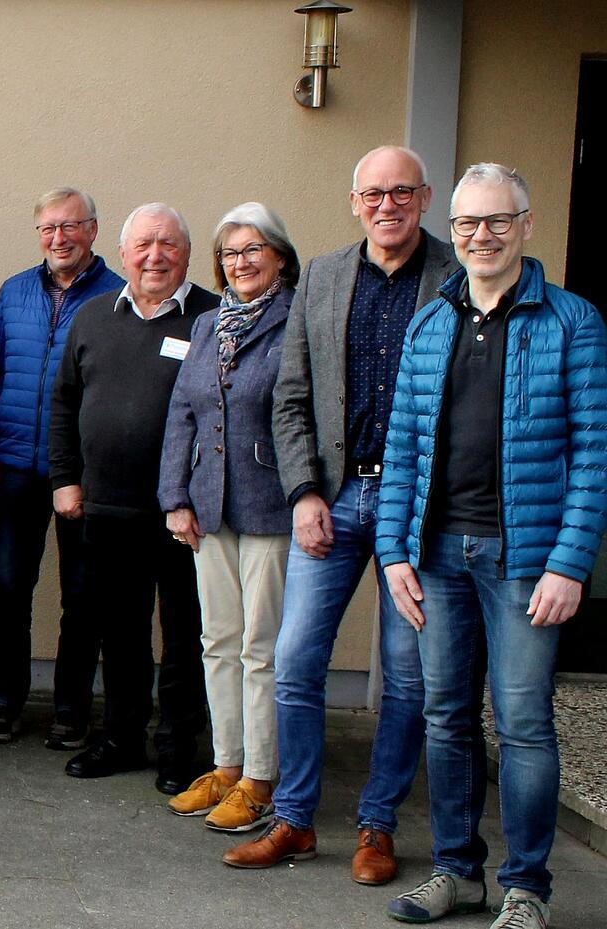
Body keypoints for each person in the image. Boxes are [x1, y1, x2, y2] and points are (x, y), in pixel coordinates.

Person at [376, 164, 604, 929]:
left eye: (497, 221)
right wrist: (394, 552)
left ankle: (527, 886)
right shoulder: (430, 322)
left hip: (526, 561)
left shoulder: (573, 321)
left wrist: (571, 562)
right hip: (436, 554)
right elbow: (402, 447)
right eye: (469, 223)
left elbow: (594, 452)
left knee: (523, 722)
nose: (481, 236)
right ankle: (457, 871)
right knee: (445, 715)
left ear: (526, 225)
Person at [226, 145, 457, 881]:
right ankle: (294, 819)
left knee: (406, 675)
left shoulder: (455, 278)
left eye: (400, 192)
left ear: (423, 198)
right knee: (294, 662)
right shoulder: (323, 276)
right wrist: (304, 492)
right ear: (354, 202)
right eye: (373, 194)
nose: (386, 206)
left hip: (418, 504)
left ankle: (377, 825)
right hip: (334, 496)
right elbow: (290, 396)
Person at [49, 203, 213, 793]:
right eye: (143, 244)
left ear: (186, 253)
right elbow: (64, 401)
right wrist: (65, 478)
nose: (155, 256)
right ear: (122, 255)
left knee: (185, 635)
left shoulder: (212, 319)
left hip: (184, 515)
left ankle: (178, 749)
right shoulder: (93, 317)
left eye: (168, 244)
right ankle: (120, 737)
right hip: (106, 509)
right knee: (119, 631)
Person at [157, 203, 299, 834]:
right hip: (209, 506)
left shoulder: (296, 321)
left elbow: (308, 414)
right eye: (230, 254)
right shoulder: (211, 324)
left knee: (260, 649)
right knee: (218, 641)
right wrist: (175, 498)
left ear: (279, 258)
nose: (240, 264)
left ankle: (261, 778)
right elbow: (181, 414)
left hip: (270, 506)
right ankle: (226, 764)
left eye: (252, 252)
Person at [0, 187, 124, 746]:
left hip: (84, 471)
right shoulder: (14, 293)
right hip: (15, 465)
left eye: (70, 227)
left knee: (82, 595)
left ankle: (70, 710)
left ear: (93, 230)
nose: (59, 239)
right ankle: (3, 703)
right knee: (10, 586)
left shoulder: (117, 296)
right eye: (48, 229)